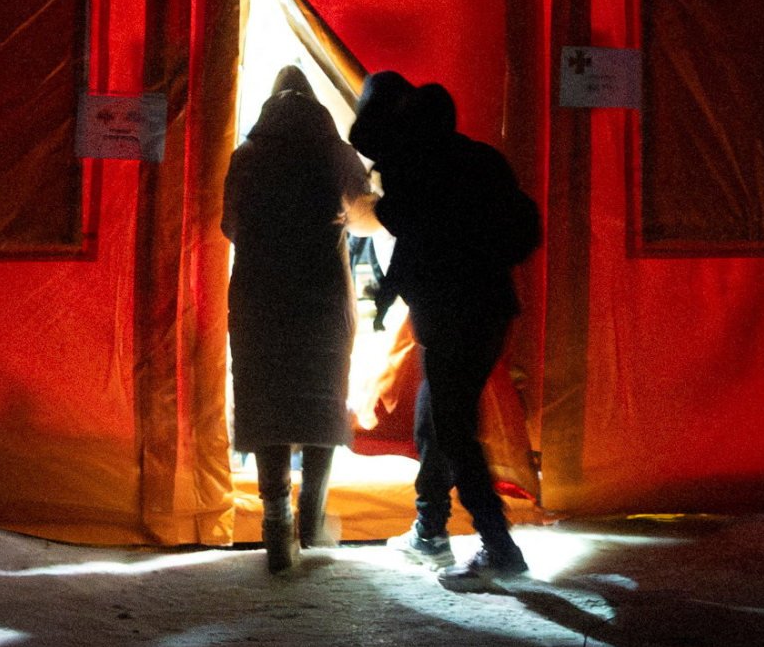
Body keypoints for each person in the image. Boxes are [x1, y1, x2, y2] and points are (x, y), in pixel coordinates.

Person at [350, 69, 539, 577]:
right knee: (437, 414)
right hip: (492, 310)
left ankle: (498, 546)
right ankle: (430, 527)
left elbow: (409, 234)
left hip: (449, 315)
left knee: (453, 429)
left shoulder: (417, 168)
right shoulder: (481, 160)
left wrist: (390, 291)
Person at [222, 66, 372, 574]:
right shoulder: (333, 152)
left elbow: (230, 225)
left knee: (267, 400)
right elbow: (364, 212)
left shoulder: (246, 156)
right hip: (322, 295)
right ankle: (312, 520)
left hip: (259, 294)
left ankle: (276, 524)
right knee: (319, 400)